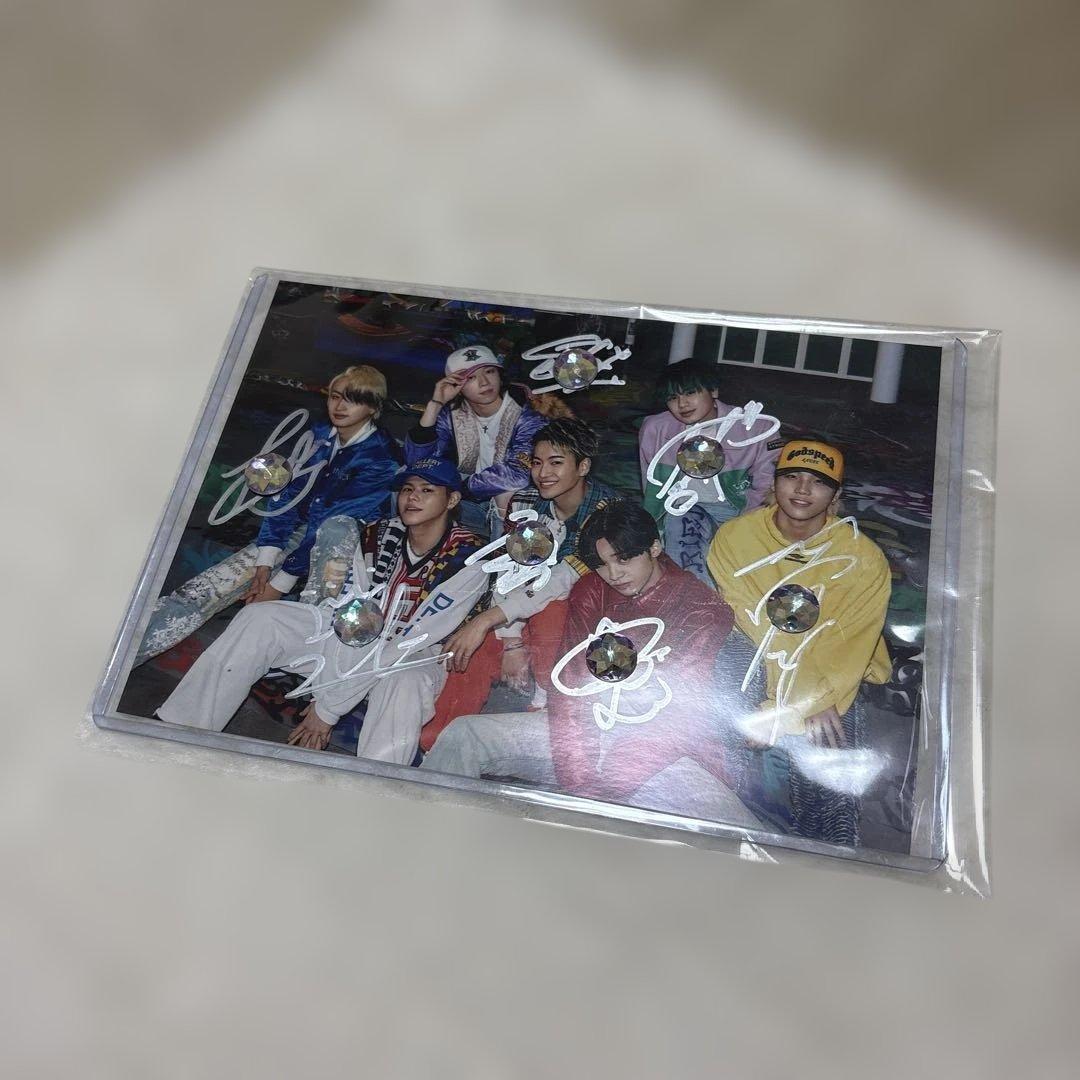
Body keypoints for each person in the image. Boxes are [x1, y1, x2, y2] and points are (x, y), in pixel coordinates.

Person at [422, 502, 762, 828]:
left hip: (664, 750)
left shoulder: (702, 607)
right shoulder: (592, 590)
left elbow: (675, 714)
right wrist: (582, 784)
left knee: (744, 835)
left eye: (624, 559)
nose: (614, 574)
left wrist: (607, 787)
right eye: (601, 563)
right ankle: (426, 832)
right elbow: (569, 688)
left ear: (655, 547)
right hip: (584, 735)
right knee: (465, 735)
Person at [156, 459, 488, 766]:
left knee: (405, 683)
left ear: (452, 500)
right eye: (407, 489)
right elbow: (352, 616)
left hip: (410, 655)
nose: (412, 498)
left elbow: (408, 641)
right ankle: (180, 732)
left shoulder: (469, 559)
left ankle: (375, 787)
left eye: (427, 490)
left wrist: (327, 709)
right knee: (261, 619)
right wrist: (328, 695)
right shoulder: (378, 534)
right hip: (354, 638)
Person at [136, 364, 401, 664]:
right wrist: (266, 558)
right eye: (335, 396)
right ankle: (120, 654)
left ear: (372, 407)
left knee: (312, 609)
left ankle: (304, 662)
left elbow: (333, 521)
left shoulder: (382, 457)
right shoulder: (319, 435)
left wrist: (279, 583)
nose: (339, 406)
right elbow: (286, 496)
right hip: (302, 531)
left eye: (352, 400)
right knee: (204, 589)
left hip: (342, 547)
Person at [705, 439, 892, 844]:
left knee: (831, 760)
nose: (803, 490)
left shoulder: (864, 559)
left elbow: (847, 646)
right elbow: (754, 625)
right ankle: (735, 829)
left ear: (836, 496)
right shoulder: (735, 539)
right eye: (792, 477)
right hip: (757, 654)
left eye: (819, 482)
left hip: (834, 671)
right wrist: (793, 703)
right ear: (774, 484)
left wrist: (806, 702)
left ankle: (828, 850)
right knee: (725, 714)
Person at [419, 418, 621, 752]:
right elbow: (508, 569)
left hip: (581, 623)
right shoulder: (525, 501)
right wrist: (509, 639)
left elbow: (563, 579)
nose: (543, 473)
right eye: (537, 463)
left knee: (553, 606)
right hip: (521, 612)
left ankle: (547, 705)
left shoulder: (608, 510)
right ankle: (435, 746)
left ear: (583, 466)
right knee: (470, 649)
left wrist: (489, 620)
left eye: (556, 463)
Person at [638, 357, 780, 584]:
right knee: (683, 530)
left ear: (713, 390)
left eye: (690, 393)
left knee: (744, 568)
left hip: (738, 509)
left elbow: (767, 485)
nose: (682, 404)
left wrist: (746, 526)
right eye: (672, 397)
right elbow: (652, 485)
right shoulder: (656, 428)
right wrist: (653, 528)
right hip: (683, 509)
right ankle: (695, 595)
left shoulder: (754, 427)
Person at [403, 344, 549, 537]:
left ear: (500, 375)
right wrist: (436, 404)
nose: (484, 382)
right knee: (407, 482)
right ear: (457, 386)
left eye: (489, 371)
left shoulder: (528, 415)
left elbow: (519, 474)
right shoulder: (452, 415)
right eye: (471, 377)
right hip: (465, 503)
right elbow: (418, 465)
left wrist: (460, 487)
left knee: (507, 493)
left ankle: (502, 553)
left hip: (515, 505)